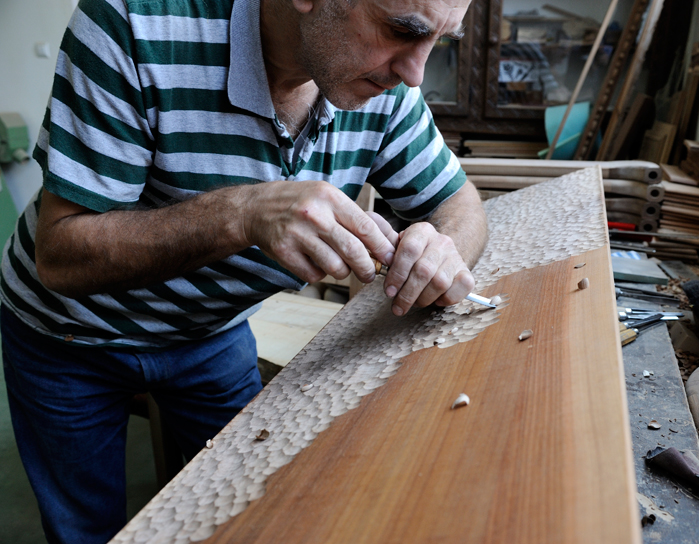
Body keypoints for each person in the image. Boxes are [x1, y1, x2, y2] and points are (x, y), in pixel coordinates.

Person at [0, 0, 486, 541]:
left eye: (439, 40)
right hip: (68, 337)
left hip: (213, 331)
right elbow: (61, 256)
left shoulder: (388, 88)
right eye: (401, 30)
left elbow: (461, 205)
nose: (414, 73)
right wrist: (241, 213)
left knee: (262, 504)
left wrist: (444, 249)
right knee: (87, 528)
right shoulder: (131, 22)